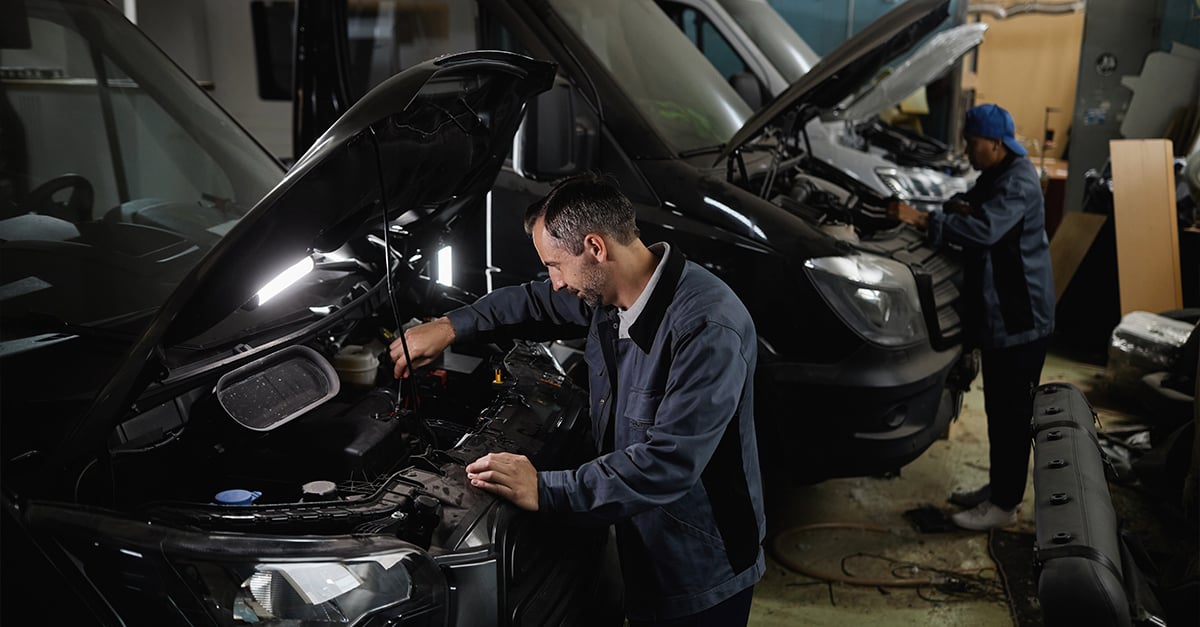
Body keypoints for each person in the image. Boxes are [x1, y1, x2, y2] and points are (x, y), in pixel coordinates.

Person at [389, 172, 766, 625]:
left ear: (596, 248)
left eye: (554, 265)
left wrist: (546, 488)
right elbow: (533, 303)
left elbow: (668, 463)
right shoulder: (611, 293)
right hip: (639, 538)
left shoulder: (706, 328)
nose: (556, 282)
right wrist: (451, 326)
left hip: (701, 565)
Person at [888, 103, 1055, 531]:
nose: (966, 150)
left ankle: (1005, 505)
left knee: (1012, 413)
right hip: (1002, 317)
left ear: (995, 144)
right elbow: (968, 202)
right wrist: (952, 207)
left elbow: (984, 230)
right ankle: (1001, 488)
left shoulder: (1018, 182)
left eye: (971, 143)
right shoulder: (997, 174)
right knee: (1000, 410)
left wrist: (924, 220)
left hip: (1021, 320)